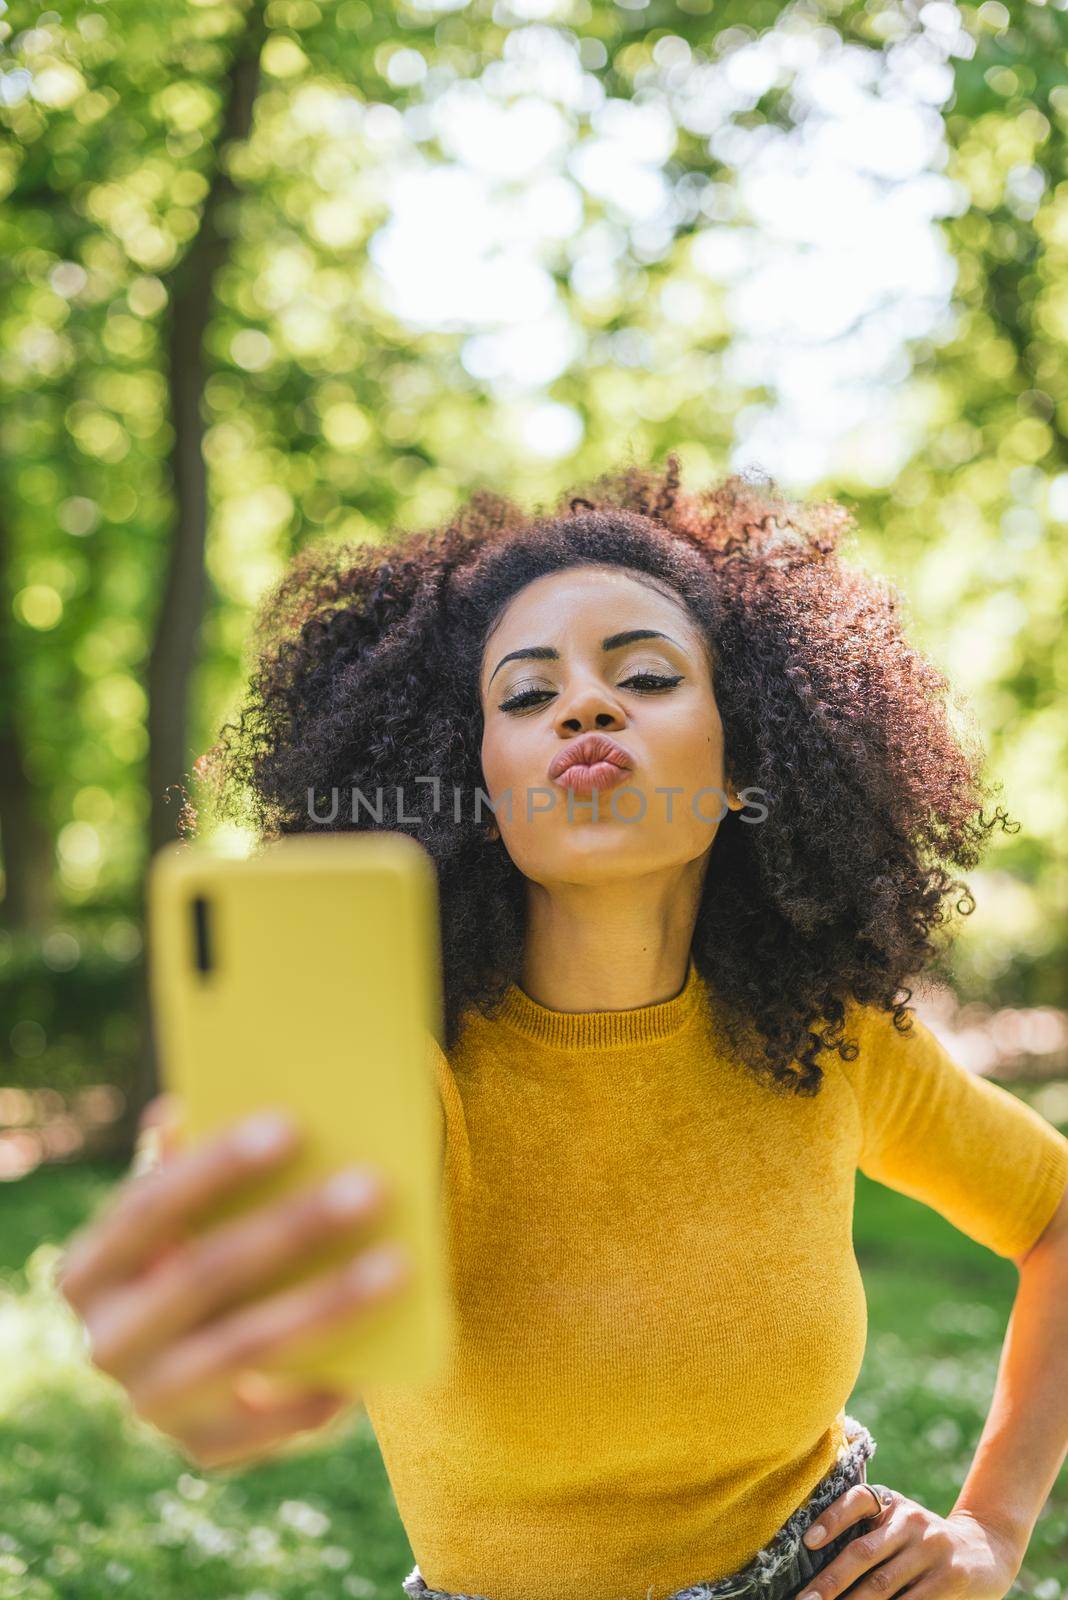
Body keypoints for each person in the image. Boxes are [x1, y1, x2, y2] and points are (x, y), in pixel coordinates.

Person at [58, 458, 1068, 1600]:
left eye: (643, 674)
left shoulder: (835, 1035)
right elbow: (249, 1190)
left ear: (742, 762)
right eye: (527, 697)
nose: (586, 706)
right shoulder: (409, 1056)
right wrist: (194, 1274)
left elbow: (1057, 1215)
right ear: (480, 788)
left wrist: (994, 1524)